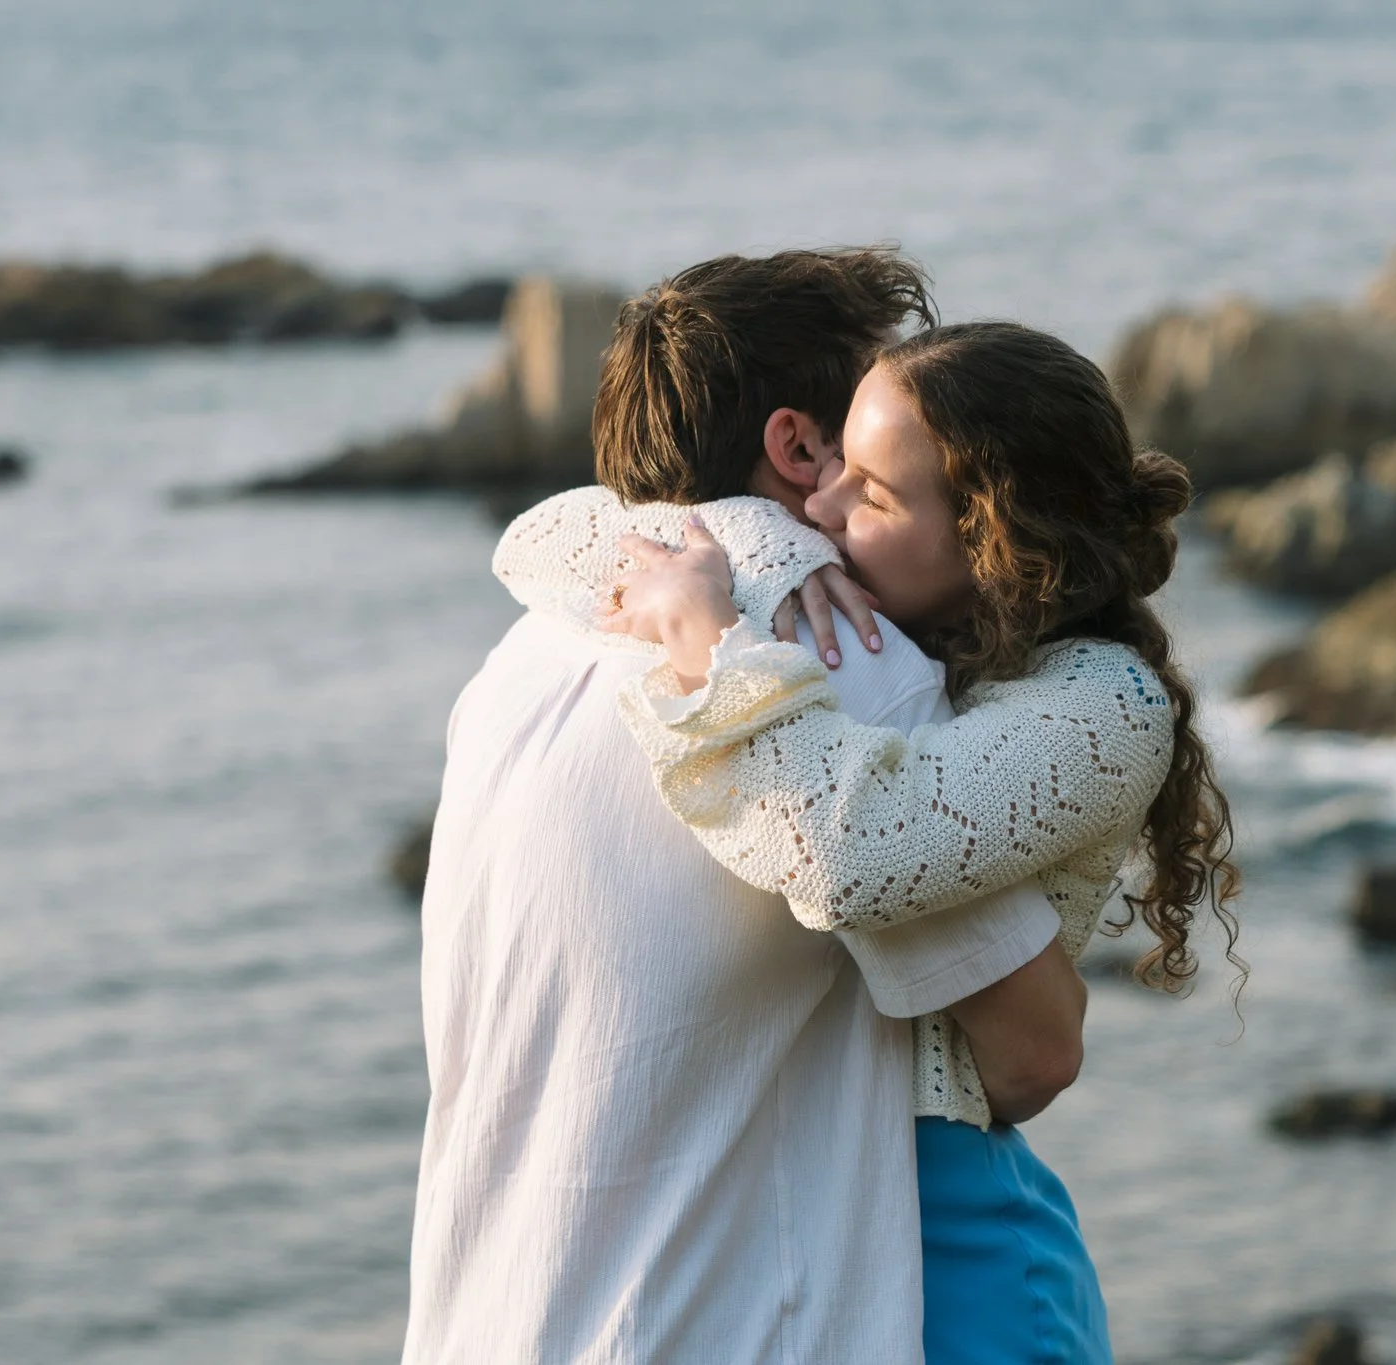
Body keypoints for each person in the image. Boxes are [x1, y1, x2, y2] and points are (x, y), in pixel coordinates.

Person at [405, 253, 1091, 1364]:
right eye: (872, 438)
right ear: (799, 448)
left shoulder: (515, 663)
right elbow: (1033, 1054)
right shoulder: (840, 653)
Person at [548, 320, 1243, 1364]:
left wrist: (704, 637)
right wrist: (769, 547)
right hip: (811, 1218)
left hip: (959, 1242)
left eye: (870, 492)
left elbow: (851, 851)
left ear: (997, 538)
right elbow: (548, 534)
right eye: (832, 463)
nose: (822, 507)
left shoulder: (1104, 704)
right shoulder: (890, 633)